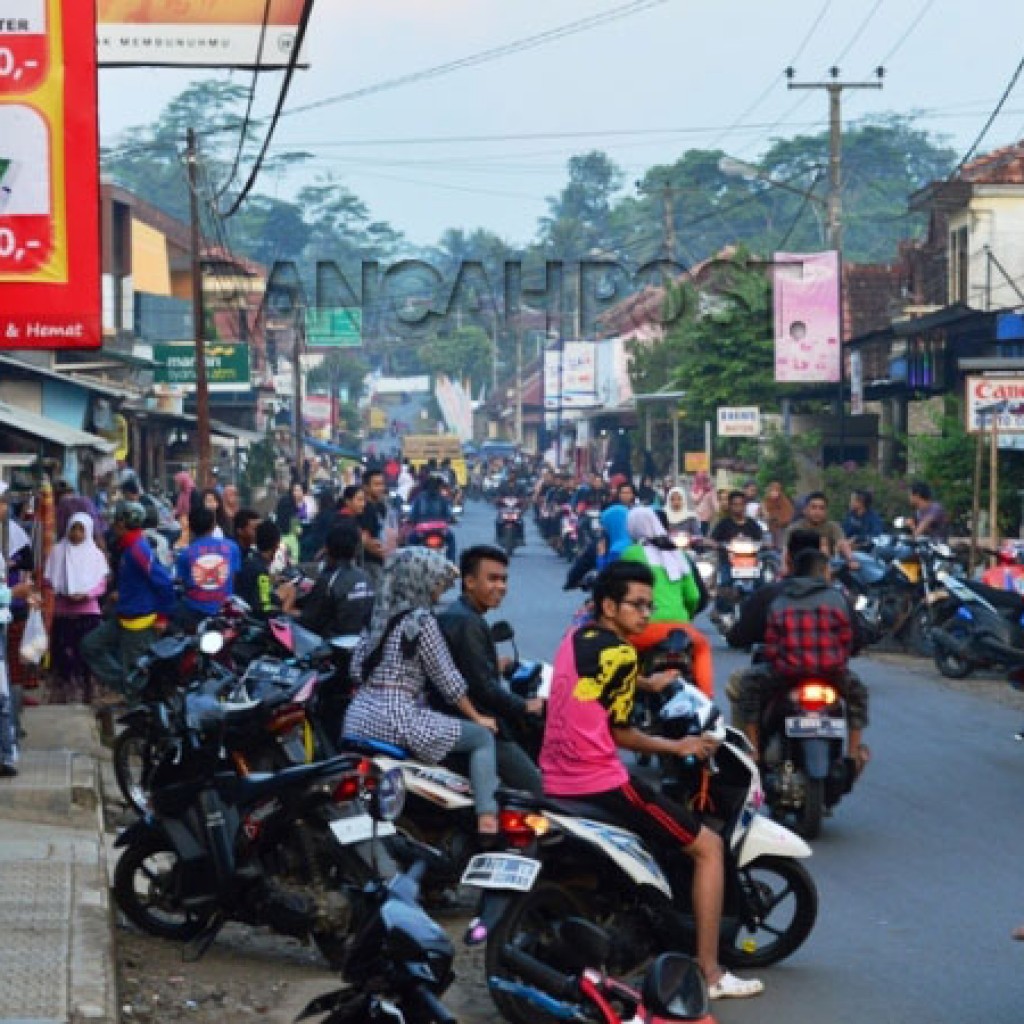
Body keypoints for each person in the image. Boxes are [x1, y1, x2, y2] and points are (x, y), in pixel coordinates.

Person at [540, 560, 763, 1000]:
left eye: (649, 605)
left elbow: (596, 678)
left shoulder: (577, 637)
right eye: (637, 606)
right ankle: (712, 972)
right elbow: (622, 733)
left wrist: (649, 683)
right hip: (600, 780)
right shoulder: (621, 653)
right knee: (709, 847)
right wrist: (681, 747)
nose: (647, 615)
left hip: (555, 777)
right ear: (609, 606)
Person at [343, 548, 502, 839]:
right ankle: (487, 820)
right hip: (397, 718)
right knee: (481, 738)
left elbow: (356, 670)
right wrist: (477, 717)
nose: (439, 590)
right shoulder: (420, 621)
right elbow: (448, 680)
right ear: (419, 580)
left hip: (357, 717)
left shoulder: (376, 617)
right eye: (437, 583)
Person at [726, 545, 870, 775]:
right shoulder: (838, 599)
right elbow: (848, 638)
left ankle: (753, 750)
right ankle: (853, 752)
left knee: (748, 688)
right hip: (831, 674)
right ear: (823, 571)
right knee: (858, 696)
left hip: (786, 674)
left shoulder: (779, 599)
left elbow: (772, 644)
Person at [438, 545, 543, 795]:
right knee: (537, 791)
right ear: (470, 581)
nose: (501, 587)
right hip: (479, 722)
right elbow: (482, 687)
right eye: (493, 579)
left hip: (461, 716)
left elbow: (463, 667)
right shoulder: (467, 622)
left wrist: (495, 664)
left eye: (504, 579)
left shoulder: (461, 614)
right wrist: (524, 705)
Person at [82, 501, 175, 699]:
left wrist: (163, 617)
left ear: (122, 524)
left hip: (139, 623)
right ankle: (124, 685)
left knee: (135, 679)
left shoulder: (138, 550)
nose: (113, 526)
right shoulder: (130, 547)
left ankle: (135, 710)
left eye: (115, 522)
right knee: (90, 646)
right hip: (123, 615)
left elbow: (164, 583)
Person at [619, 507, 714, 698]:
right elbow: (694, 596)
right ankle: (705, 699)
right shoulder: (679, 555)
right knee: (702, 648)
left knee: (618, 650)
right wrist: (685, 616)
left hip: (645, 628)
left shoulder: (632, 553)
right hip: (681, 628)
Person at [43, 512, 108, 704]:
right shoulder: (57, 551)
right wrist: (62, 590)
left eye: (81, 529)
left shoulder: (95, 555)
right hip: (63, 612)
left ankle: (88, 695)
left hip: (88, 613)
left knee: (86, 656)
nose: (77, 533)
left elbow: (102, 584)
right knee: (64, 657)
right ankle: (66, 697)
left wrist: (86, 594)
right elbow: (48, 580)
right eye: (74, 528)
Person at [299, 521, 375, 638]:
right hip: (361, 642)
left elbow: (309, 621)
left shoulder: (328, 580)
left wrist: (287, 610)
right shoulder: (367, 577)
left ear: (328, 549)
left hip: (332, 645)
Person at [174, 507, 241, 629]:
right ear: (214, 524)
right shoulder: (232, 547)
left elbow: (182, 581)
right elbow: (232, 578)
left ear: (191, 526)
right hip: (224, 612)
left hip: (194, 612)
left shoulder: (185, 554)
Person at [235, 520, 297, 619]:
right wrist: (286, 613)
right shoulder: (261, 571)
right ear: (276, 545)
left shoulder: (248, 561)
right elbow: (264, 607)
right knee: (291, 589)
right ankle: (284, 619)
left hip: (243, 607)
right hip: (255, 618)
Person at [785, 491, 854, 562]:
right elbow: (786, 550)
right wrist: (784, 565)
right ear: (805, 510)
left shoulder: (833, 526)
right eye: (813, 507)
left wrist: (851, 559)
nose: (817, 512)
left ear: (826, 511)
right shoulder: (794, 528)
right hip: (801, 566)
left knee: (858, 557)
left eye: (821, 508)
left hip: (827, 564)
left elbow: (842, 543)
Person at [358, 469, 388, 587]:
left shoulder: (381, 507)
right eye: (376, 484)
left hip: (383, 561)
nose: (381, 488)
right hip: (370, 563)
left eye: (382, 484)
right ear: (366, 487)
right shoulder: (365, 509)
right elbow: (364, 538)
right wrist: (381, 552)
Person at [763, 481, 794, 549]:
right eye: (772, 490)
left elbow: (788, 514)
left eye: (776, 491)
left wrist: (778, 519)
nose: (774, 493)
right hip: (770, 528)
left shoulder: (784, 501)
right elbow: (764, 512)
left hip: (782, 528)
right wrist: (767, 516)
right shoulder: (767, 500)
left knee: (781, 547)